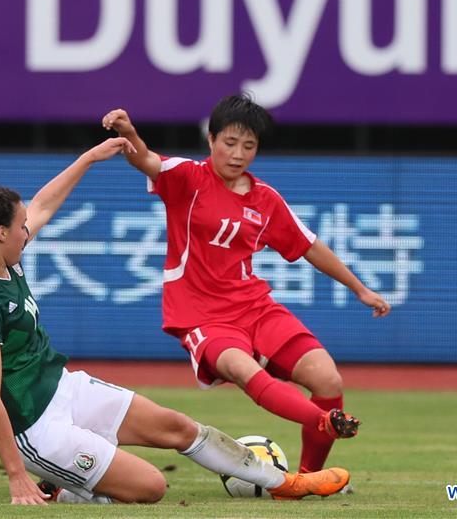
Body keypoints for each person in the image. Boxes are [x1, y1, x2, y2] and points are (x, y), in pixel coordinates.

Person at [0, 137, 350, 505]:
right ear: (1, 234)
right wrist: (17, 477)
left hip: (62, 388)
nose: (28, 230)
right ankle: (61, 485)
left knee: (179, 427)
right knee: (151, 487)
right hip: (34, 427)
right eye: (20, 227)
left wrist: (89, 158)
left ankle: (284, 483)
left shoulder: (4, 255)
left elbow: (43, 204)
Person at [102, 95, 392, 475]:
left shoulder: (265, 199)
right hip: (201, 315)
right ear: (211, 140)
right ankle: (323, 421)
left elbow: (309, 246)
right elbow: (146, 159)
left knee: (327, 377)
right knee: (241, 369)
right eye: (230, 143)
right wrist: (129, 133)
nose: (238, 154)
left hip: (254, 307)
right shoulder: (188, 178)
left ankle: (306, 479)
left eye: (249, 146)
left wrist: (360, 289)